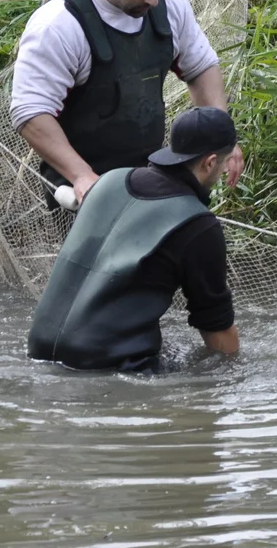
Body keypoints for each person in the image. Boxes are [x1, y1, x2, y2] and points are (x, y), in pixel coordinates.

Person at [12, 0, 243, 205]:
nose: (154, 0)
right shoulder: (58, 25)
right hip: (81, 185)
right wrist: (82, 175)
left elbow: (201, 66)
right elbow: (30, 111)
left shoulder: (169, 2)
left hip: (150, 172)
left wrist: (220, 139)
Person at [28, 107, 241, 371]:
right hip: (108, 366)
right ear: (210, 162)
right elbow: (215, 326)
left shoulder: (109, 180)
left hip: (38, 348)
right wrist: (237, 372)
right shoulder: (198, 225)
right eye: (226, 161)